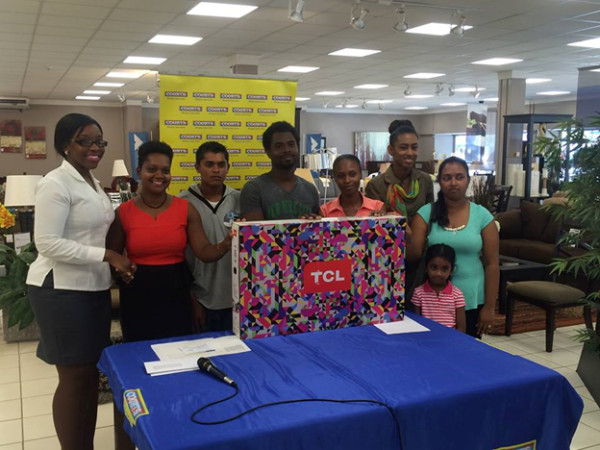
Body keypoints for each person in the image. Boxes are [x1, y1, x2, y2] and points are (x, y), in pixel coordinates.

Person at [26, 113, 135, 450]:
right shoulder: (55, 183)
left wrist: (115, 263)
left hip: (92, 288)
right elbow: (47, 243)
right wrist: (107, 256)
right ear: (65, 145)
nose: (94, 148)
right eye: (84, 141)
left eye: (99, 141)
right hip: (60, 290)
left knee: (89, 376)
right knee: (74, 378)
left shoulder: (91, 182)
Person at [106, 141, 232, 343]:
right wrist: (121, 272)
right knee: (140, 355)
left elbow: (204, 251)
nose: (159, 175)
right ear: (139, 171)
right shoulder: (123, 212)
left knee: (178, 354)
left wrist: (225, 244)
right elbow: (112, 258)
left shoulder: (185, 208)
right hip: (138, 295)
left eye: (165, 170)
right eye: (151, 169)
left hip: (176, 293)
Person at [410, 156, 499, 338]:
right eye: (447, 177)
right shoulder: (426, 213)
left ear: (468, 180)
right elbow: (412, 256)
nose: (453, 183)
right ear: (439, 182)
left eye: (459, 177)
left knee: (466, 357)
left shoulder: (482, 216)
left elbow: (492, 264)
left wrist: (490, 307)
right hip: (433, 302)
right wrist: (405, 233)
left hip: (472, 299)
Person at [178, 141, 240, 332]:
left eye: (221, 165)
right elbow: (178, 257)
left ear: (228, 168)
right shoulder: (182, 202)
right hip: (202, 299)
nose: (216, 170)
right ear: (198, 167)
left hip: (237, 298)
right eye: (209, 164)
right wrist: (192, 299)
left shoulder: (240, 199)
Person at [240, 121, 320, 220]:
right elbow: (255, 233)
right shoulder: (254, 189)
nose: (287, 150)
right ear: (268, 152)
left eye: (291, 144)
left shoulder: (310, 190)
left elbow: (317, 232)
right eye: (279, 146)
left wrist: (313, 224)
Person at [365, 119, 434, 219]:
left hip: (421, 234)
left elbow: (431, 216)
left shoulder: (425, 180)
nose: (410, 153)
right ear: (391, 150)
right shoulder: (376, 185)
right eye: (403, 147)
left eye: (414, 147)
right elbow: (374, 223)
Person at [411, 244, 466, 332]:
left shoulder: (457, 294)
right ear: (426, 267)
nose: (438, 273)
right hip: (425, 339)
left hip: (450, 340)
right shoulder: (418, 293)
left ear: (451, 270)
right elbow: (415, 324)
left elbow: (461, 328)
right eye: (434, 267)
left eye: (444, 269)